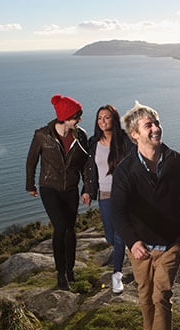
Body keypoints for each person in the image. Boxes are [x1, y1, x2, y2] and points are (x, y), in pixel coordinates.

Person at [111, 102, 180, 330]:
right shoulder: (125, 170)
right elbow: (117, 211)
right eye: (148, 125)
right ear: (134, 134)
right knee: (145, 298)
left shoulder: (177, 162)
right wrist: (132, 241)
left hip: (169, 244)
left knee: (161, 296)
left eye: (156, 123)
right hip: (140, 248)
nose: (155, 129)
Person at [26, 94, 90, 291]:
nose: (79, 121)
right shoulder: (41, 135)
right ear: (65, 117)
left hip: (71, 189)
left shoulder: (81, 136)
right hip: (49, 188)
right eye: (76, 117)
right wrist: (30, 185)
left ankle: (70, 271)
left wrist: (86, 189)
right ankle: (60, 274)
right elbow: (31, 160)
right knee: (60, 227)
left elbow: (86, 165)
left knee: (71, 230)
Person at [82, 105, 134, 294]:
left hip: (123, 193)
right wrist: (87, 191)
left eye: (107, 117)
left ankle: (117, 274)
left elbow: (136, 163)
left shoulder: (125, 140)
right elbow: (89, 169)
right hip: (104, 194)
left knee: (119, 237)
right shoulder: (93, 142)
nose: (103, 121)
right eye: (100, 118)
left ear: (114, 119)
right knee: (111, 237)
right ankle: (131, 246)